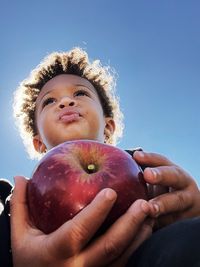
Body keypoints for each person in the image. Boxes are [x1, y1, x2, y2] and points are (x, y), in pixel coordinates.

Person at [1, 47, 199, 266]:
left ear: (108, 126)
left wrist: (189, 214)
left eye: (80, 93)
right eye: (49, 101)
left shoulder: (143, 174)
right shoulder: (15, 205)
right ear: (38, 142)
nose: (66, 101)